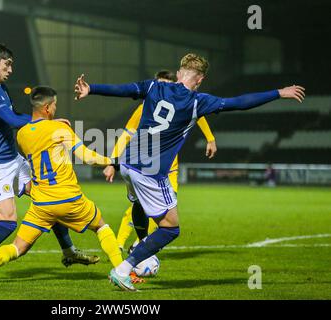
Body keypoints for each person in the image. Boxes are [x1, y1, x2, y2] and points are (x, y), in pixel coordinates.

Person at [74, 53, 305, 291]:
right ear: (200, 79)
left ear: (180, 71)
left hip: (128, 164)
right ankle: (124, 268)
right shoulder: (197, 101)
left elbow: (122, 89)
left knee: (140, 205)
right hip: (150, 173)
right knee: (171, 228)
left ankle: (141, 242)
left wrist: (91, 89)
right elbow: (239, 102)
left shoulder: (154, 86)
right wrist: (278, 93)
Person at [0, 86, 143, 288]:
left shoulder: (22, 135)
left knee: (17, 248)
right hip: (70, 199)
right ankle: (122, 272)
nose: (56, 109)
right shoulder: (60, 129)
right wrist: (114, 160)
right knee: (102, 227)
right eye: (54, 105)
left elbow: (37, 135)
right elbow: (88, 157)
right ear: (47, 108)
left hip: (42, 205)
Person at [0, 43, 98, 284]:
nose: (11, 69)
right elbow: (9, 118)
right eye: (7, 64)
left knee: (49, 197)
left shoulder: (1, 88)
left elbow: (16, 115)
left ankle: (68, 251)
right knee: (8, 223)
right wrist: (43, 123)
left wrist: (40, 122)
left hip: (13, 158)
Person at [105, 69, 217, 252]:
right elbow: (126, 135)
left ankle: (138, 244)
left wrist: (210, 138)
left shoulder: (185, 103)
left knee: (159, 210)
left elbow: (199, 114)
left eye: (164, 84)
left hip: (169, 169)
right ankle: (122, 244)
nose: (160, 88)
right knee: (141, 206)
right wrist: (112, 162)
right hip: (147, 167)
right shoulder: (143, 109)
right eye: (158, 84)